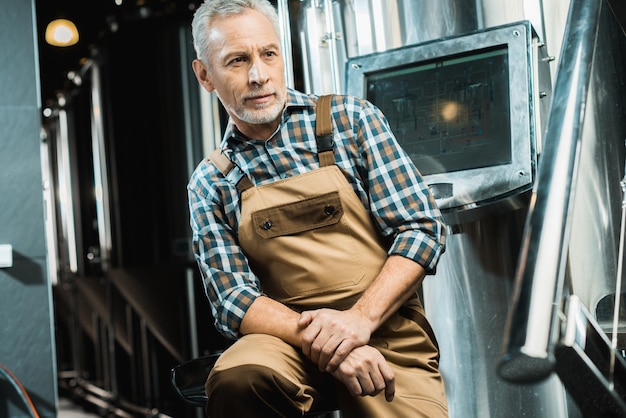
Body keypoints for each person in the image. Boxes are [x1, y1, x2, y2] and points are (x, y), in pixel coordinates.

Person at [187, 0, 448, 416]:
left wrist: (359, 320)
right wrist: (330, 342)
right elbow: (232, 299)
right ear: (205, 76)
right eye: (237, 60)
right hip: (287, 343)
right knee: (238, 376)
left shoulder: (351, 121)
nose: (258, 75)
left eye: (268, 54)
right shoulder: (211, 180)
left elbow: (421, 228)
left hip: (384, 331)